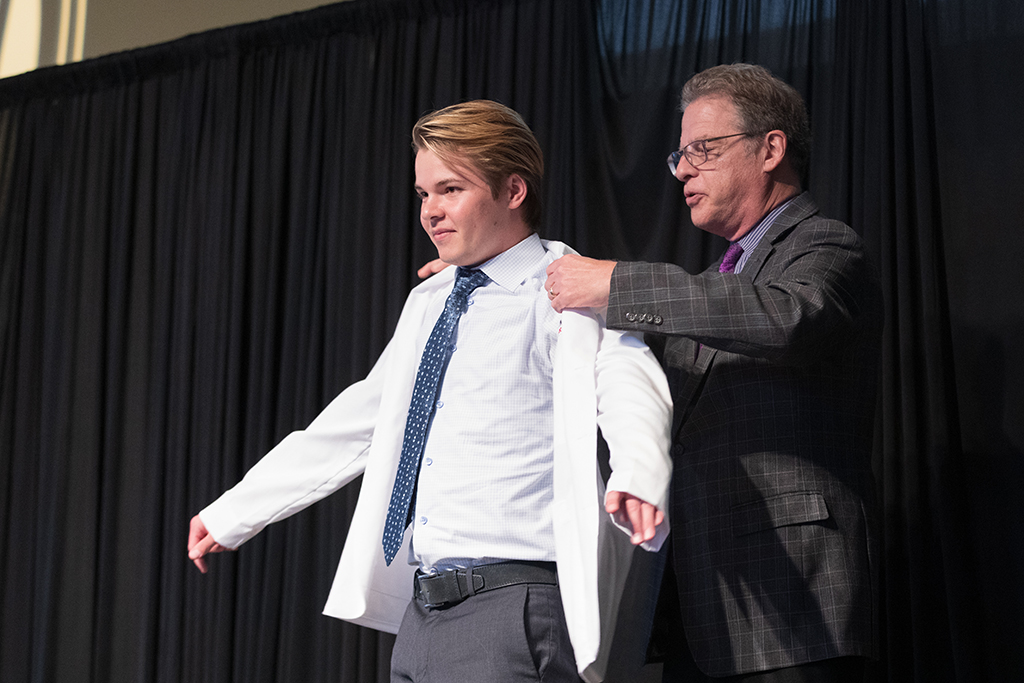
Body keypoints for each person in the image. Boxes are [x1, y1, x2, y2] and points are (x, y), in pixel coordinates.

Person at [187, 99, 673, 683]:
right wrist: (238, 510)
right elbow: (361, 418)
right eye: (423, 195)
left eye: (450, 190)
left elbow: (628, 380)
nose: (431, 212)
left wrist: (638, 473)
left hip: (511, 600)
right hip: (424, 610)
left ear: (513, 191)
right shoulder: (432, 302)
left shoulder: (563, 285)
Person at [543, 64, 883, 682]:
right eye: (680, 153)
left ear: (770, 149)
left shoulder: (827, 246)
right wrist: (489, 291)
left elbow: (788, 317)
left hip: (796, 599)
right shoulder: (715, 288)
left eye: (703, 150)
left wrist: (617, 282)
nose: (681, 170)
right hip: (702, 613)